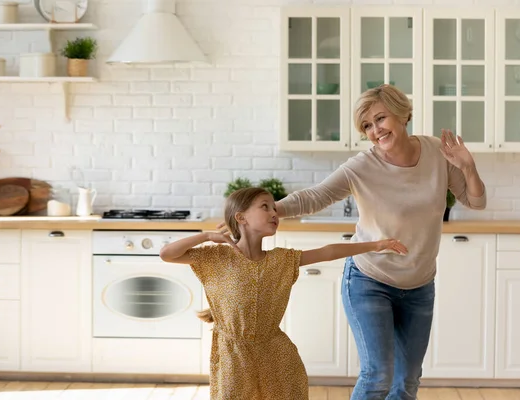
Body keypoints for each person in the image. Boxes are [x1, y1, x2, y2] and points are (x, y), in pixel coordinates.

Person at [274, 85, 487, 400]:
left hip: (420, 285)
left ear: (402, 114)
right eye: (367, 126)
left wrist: (468, 167)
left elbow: (476, 201)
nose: (375, 131)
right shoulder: (363, 166)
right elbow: (315, 197)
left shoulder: (436, 154)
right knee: (378, 377)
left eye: (380, 119)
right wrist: (267, 211)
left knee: (407, 381)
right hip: (369, 280)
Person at [160, 187, 408, 400]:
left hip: (277, 355)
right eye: (265, 207)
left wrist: (376, 245)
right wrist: (205, 235)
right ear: (241, 217)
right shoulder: (214, 258)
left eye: (274, 209)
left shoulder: (282, 260)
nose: (274, 213)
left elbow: (328, 251)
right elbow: (167, 254)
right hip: (232, 357)